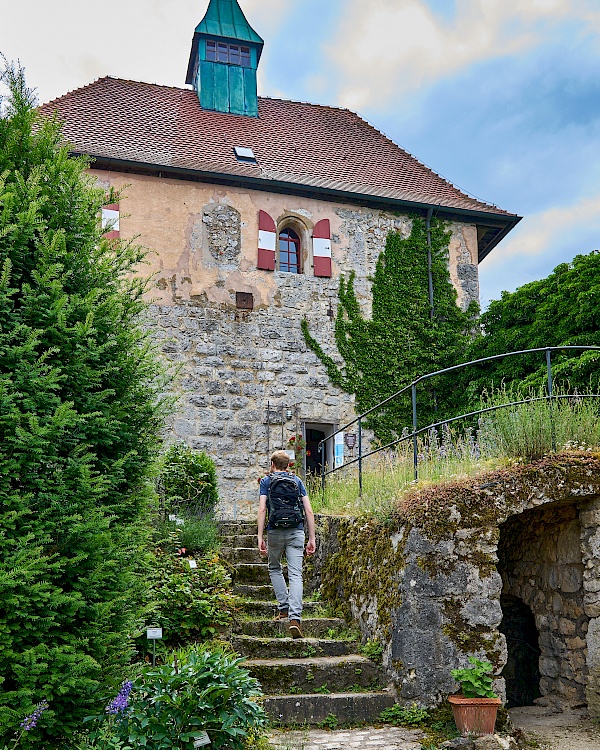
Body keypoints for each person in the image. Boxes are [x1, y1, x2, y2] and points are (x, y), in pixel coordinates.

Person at [257, 450, 316, 639]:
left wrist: (260, 536)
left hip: (274, 531)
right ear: (288, 465)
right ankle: (295, 618)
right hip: (296, 530)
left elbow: (262, 508)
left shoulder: (266, 481)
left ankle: (283, 608)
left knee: (274, 567)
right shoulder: (297, 481)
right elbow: (308, 510)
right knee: (296, 574)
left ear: (272, 465)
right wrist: (312, 538)